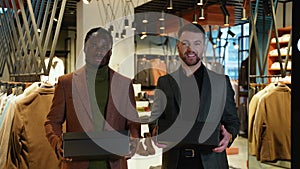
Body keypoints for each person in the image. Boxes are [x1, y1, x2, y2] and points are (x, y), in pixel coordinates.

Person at [44, 27, 141, 169]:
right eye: (94, 45)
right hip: (77, 164)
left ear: (111, 51)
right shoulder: (66, 83)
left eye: (104, 47)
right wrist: (58, 143)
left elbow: (133, 122)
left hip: (114, 163)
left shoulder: (124, 84)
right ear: (85, 48)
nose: (99, 51)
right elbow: (52, 121)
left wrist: (134, 138)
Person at [149, 23, 240, 169]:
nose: (191, 49)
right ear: (178, 46)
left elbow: (232, 120)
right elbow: (155, 118)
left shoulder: (221, 83)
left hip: (211, 161)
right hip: (175, 162)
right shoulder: (165, 82)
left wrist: (229, 136)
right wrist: (155, 131)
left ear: (203, 46)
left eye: (197, 43)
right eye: (185, 43)